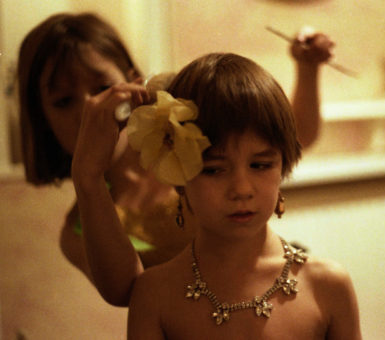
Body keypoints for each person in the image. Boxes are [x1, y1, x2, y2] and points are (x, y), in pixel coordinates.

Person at [17, 12, 334, 306]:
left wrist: (307, 69)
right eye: (62, 101)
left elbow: (293, 137)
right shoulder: (78, 231)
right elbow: (128, 292)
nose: (90, 110)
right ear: (41, 119)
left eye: (102, 87)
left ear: (133, 81)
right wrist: (88, 177)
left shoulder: (187, 126)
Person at [126, 52, 361, 339]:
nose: (241, 189)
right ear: (178, 173)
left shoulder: (327, 286)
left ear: (283, 165)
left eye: (260, 165)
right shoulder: (154, 296)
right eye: (213, 170)